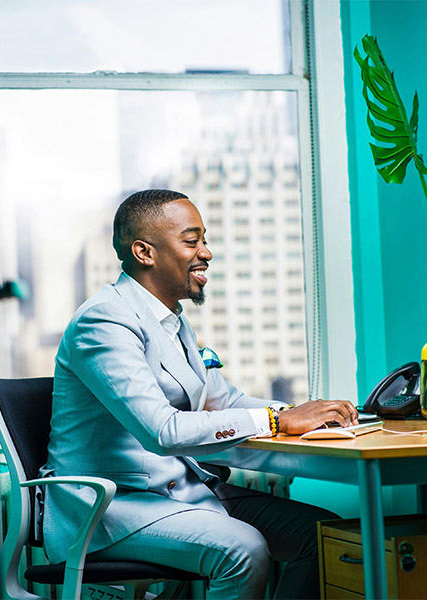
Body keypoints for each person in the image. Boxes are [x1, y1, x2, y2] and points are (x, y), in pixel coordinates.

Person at [40, 189, 359, 599]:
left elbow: (221, 401)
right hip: (111, 510)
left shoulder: (170, 320)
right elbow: (163, 431)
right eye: (192, 241)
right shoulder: (104, 321)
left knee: (319, 537)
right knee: (242, 550)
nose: (206, 252)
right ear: (144, 252)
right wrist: (278, 421)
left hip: (180, 494)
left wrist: (302, 412)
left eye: (204, 240)